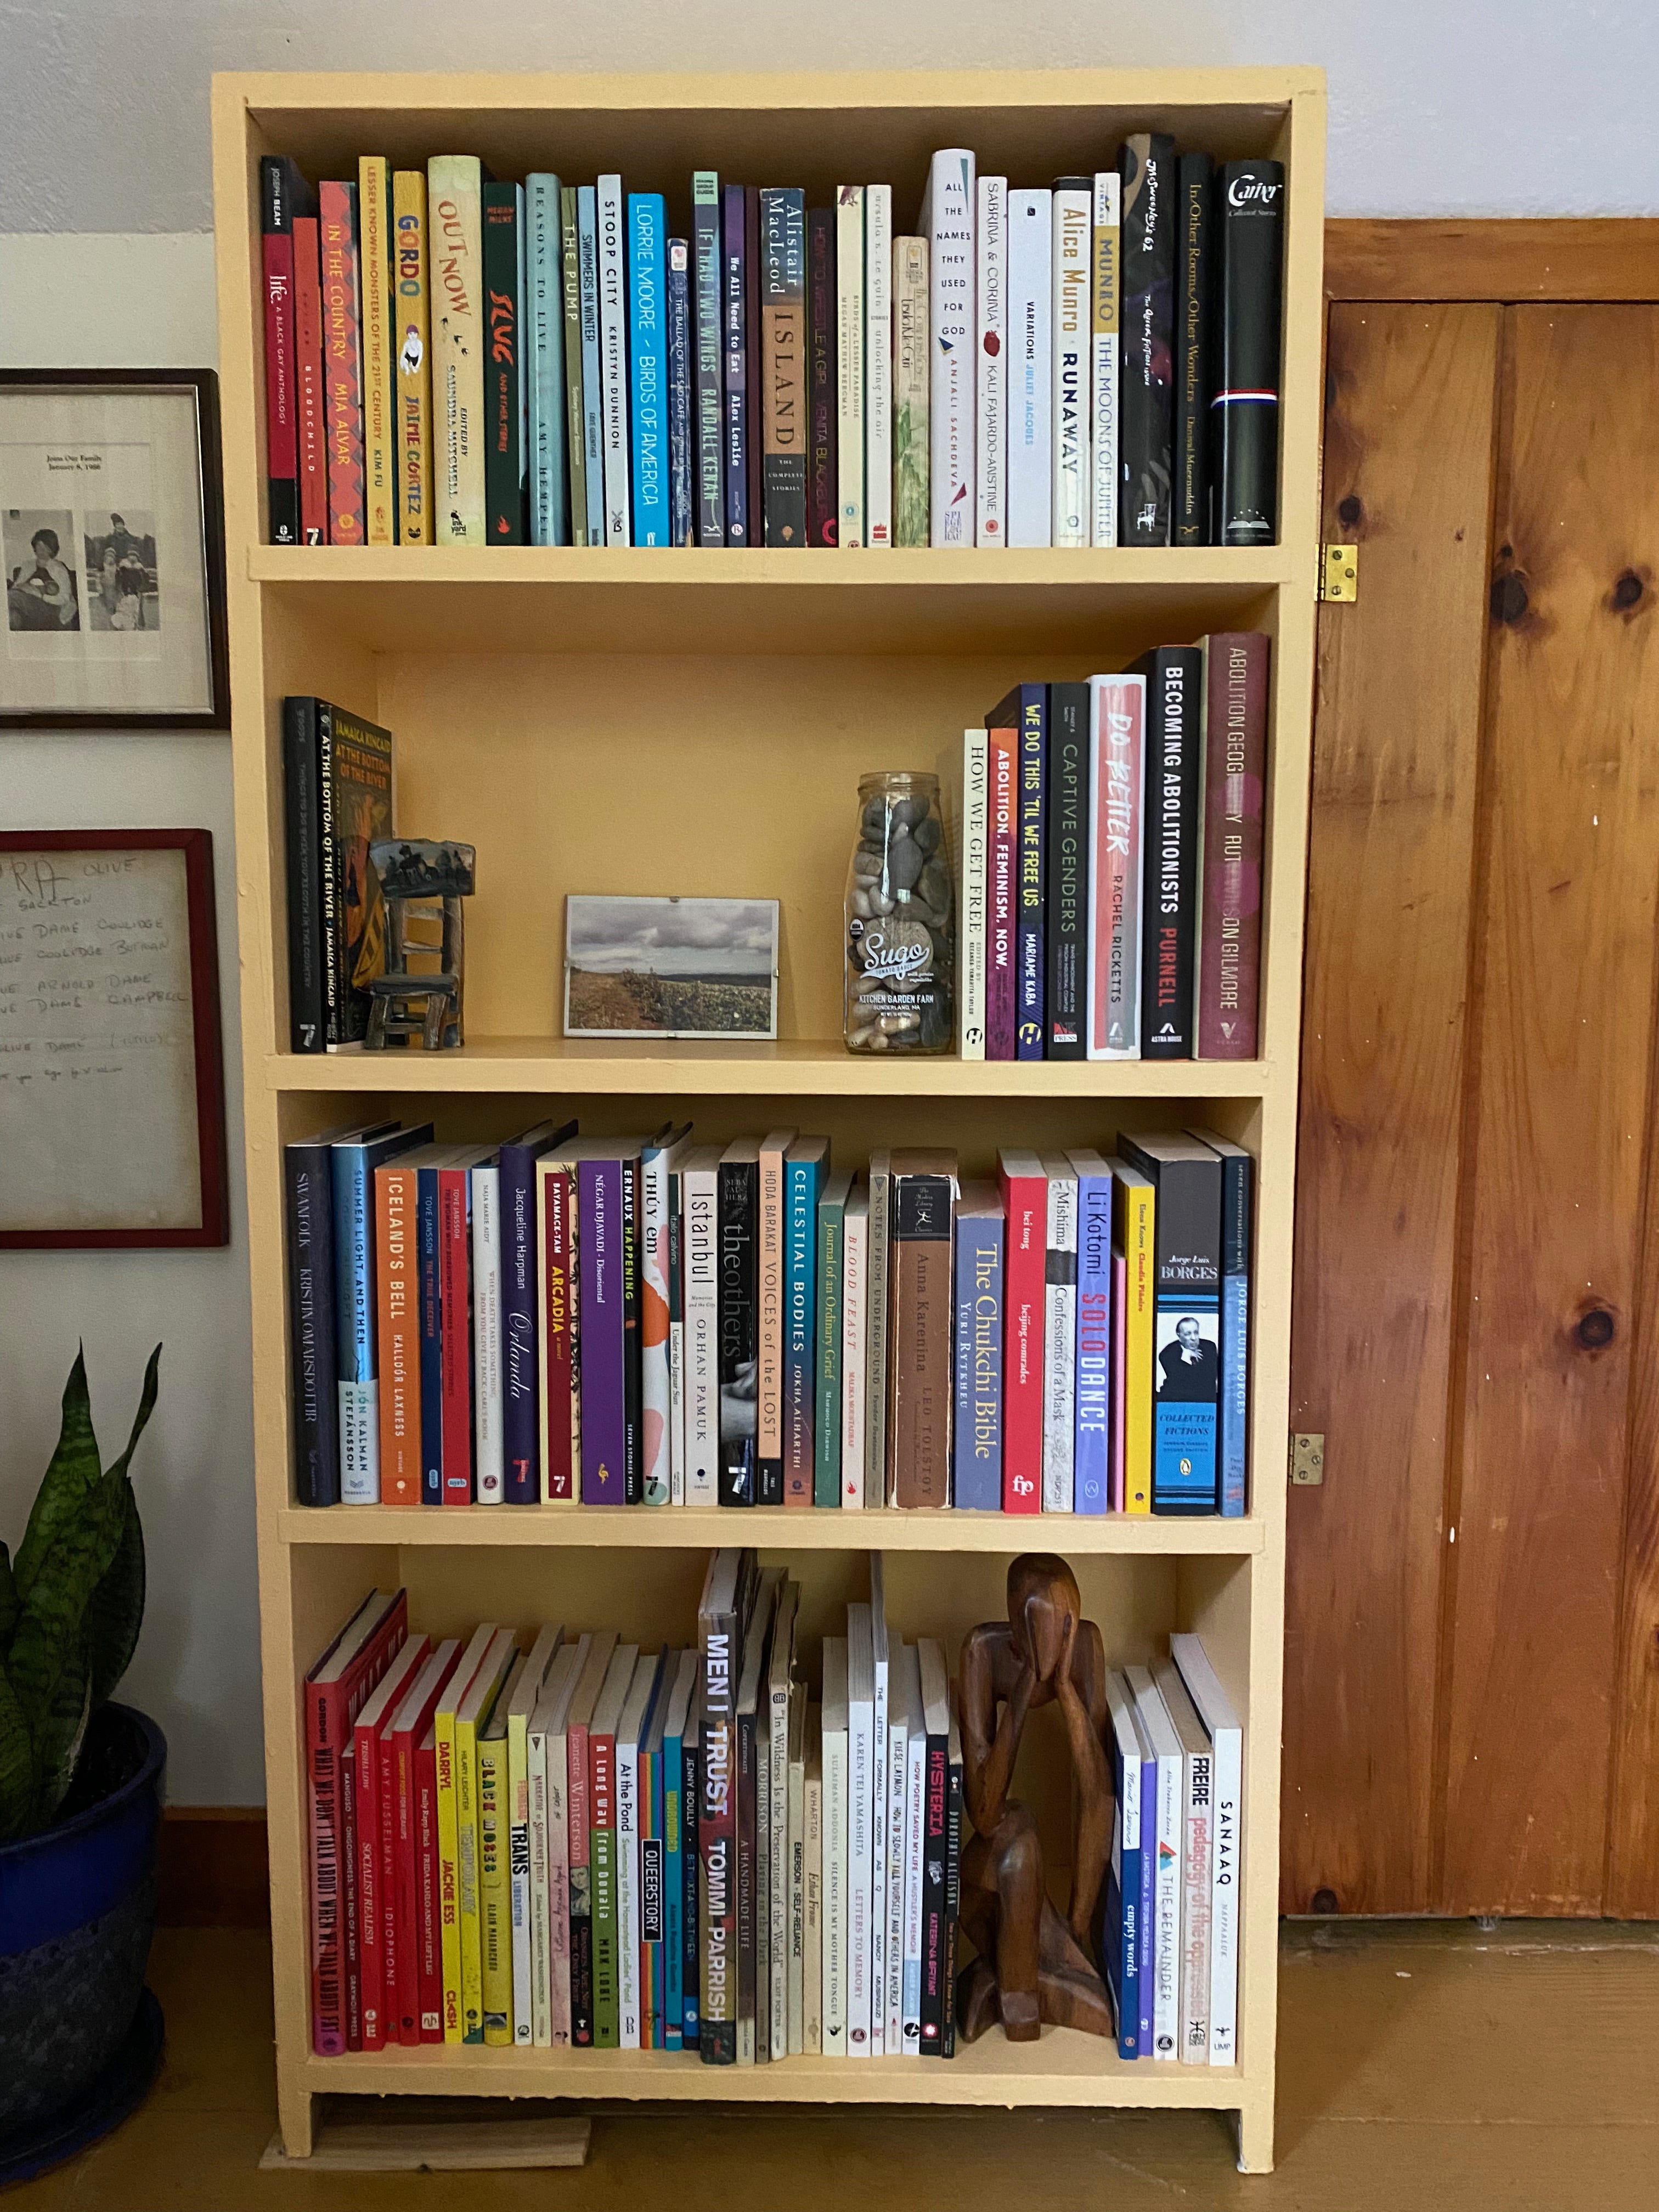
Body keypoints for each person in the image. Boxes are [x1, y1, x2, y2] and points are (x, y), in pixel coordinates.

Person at [7, 526, 78, 632]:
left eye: (46, 546)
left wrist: (39, 595)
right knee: (13, 616)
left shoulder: (59, 569)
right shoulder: (28, 565)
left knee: (9, 597)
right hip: (29, 606)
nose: (42, 550)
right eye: (39, 546)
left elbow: (64, 598)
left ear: (52, 549)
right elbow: (16, 586)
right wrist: (23, 588)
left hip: (54, 608)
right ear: (35, 547)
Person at [1158, 1313, 1219, 1399]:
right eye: (1188, 1334)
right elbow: (1179, 1382)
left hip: (1205, 1399)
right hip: (1176, 1399)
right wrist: (1186, 1357)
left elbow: (1209, 1379)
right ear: (1179, 1336)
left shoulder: (1209, 1348)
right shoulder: (1168, 1354)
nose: (1194, 1338)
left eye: (1196, 1333)